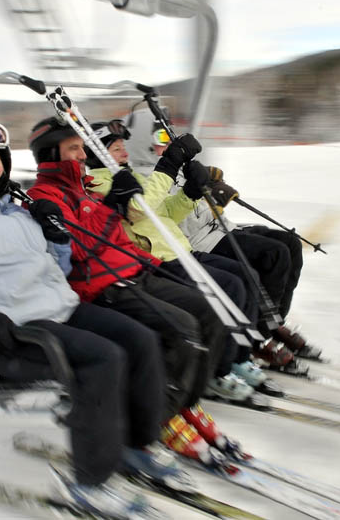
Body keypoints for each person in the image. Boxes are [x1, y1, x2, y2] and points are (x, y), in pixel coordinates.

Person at [0, 120, 187, 519]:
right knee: (103, 359)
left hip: (60, 311)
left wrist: (55, 236)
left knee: (140, 339)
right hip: (15, 332)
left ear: (4, 165)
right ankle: (90, 484)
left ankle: (136, 443)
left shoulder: (21, 214)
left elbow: (55, 267)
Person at [26, 116, 246, 464]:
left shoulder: (83, 187)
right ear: (51, 155)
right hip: (104, 285)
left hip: (134, 269)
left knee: (210, 311)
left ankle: (186, 402)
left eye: (82, 148)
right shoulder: (44, 198)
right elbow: (78, 250)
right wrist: (114, 203)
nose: (82, 155)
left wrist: (135, 241)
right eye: (74, 149)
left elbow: (116, 235)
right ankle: (162, 416)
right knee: (181, 329)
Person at [84, 118, 301, 376]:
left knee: (245, 275)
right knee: (233, 284)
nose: (124, 150)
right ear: (97, 154)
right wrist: (169, 164)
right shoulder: (99, 183)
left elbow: (165, 214)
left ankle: (244, 350)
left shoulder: (128, 175)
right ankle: (227, 364)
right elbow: (138, 209)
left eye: (122, 144)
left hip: (180, 250)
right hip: (157, 260)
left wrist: (190, 193)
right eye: (115, 147)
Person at [123, 109, 319, 360]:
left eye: (167, 136)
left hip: (218, 227)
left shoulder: (171, 167)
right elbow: (172, 223)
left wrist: (210, 190)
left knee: (290, 243)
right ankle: (259, 331)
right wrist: (213, 201)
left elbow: (189, 206)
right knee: (274, 256)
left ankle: (273, 321)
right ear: (142, 141)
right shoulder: (149, 177)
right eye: (160, 136)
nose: (167, 142)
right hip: (202, 239)